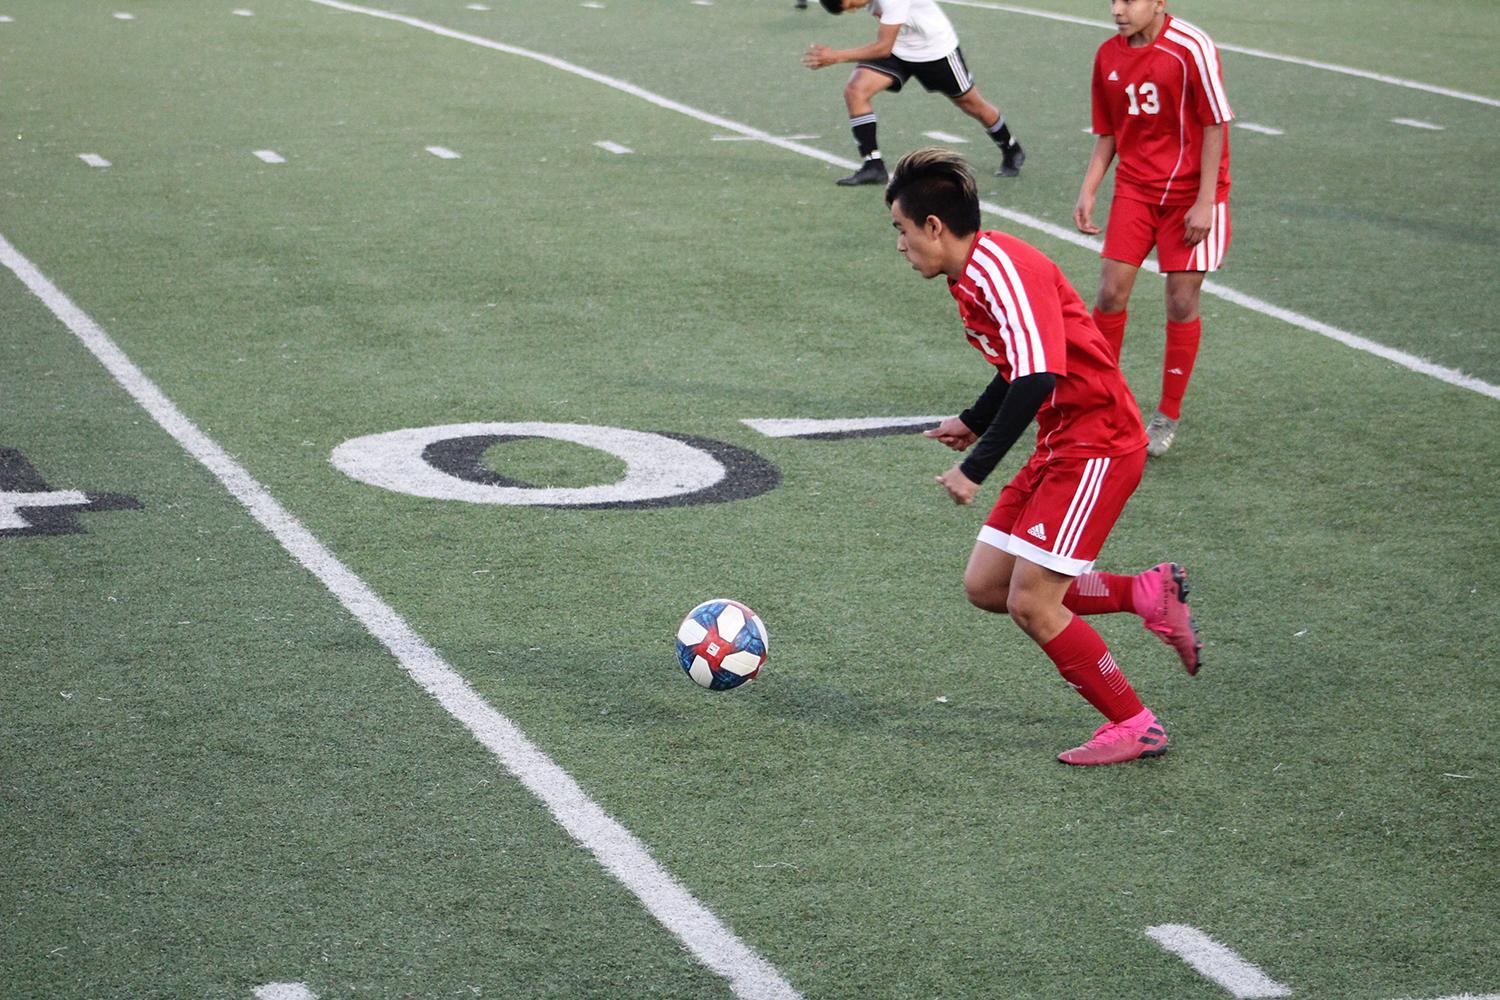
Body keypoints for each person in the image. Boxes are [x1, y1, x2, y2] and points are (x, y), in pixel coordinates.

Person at [886, 148, 1201, 765]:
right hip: (1064, 440)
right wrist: (973, 421)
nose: (899, 245)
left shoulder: (999, 270)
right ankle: (1145, 592)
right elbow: (1018, 368)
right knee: (987, 585)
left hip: (1098, 444)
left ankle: (1135, 723)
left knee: (1031, 603)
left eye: (900, 230)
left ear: (933, 227)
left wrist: (974, 469)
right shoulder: (970, 277)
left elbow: (1037, 376)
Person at [1073, 0, 1233, 457]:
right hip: (1136, 190)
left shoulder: (1192, 47)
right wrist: (1089, 189)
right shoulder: (1107, 55)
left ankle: (1167, 413)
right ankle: (1100, 406)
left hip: (1190, 196)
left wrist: (1205, 201)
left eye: (1129, 0)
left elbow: (1215, 123)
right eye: (1113, 1)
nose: (1118, 10)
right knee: (1109, 294)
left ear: (1159, 3)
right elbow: (1109, 132)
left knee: (1182, 301)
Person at [802, 0, 1023, 186]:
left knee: (971, 104)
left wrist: (837, 56)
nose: (856, 6)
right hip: (899, 48)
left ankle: (1011, 148)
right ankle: (873, 165)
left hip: (935, 51)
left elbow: (882, 48)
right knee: (855, 90)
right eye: (851, 6)